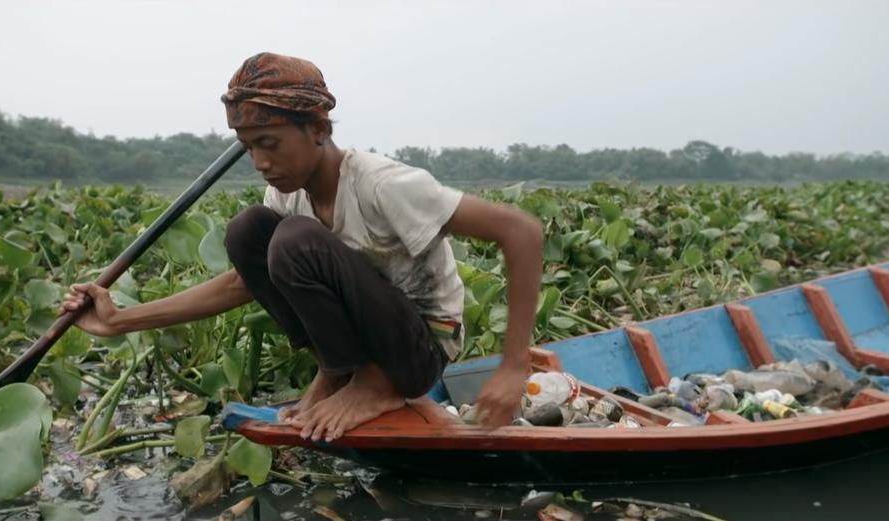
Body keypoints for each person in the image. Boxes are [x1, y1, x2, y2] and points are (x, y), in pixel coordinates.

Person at [59, 52, 544, 443]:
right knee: (248, 230)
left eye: (270, 143)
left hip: (420, 347)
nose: (260, 162)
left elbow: (521, 231)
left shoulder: (383, 185)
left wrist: (512, 366)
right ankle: (338, 375)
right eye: (248, 148)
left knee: (294, 239)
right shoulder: (288, 192)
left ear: (318, 129)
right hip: (367, 341)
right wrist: (122, 319)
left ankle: (373, 384)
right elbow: (241, 283)